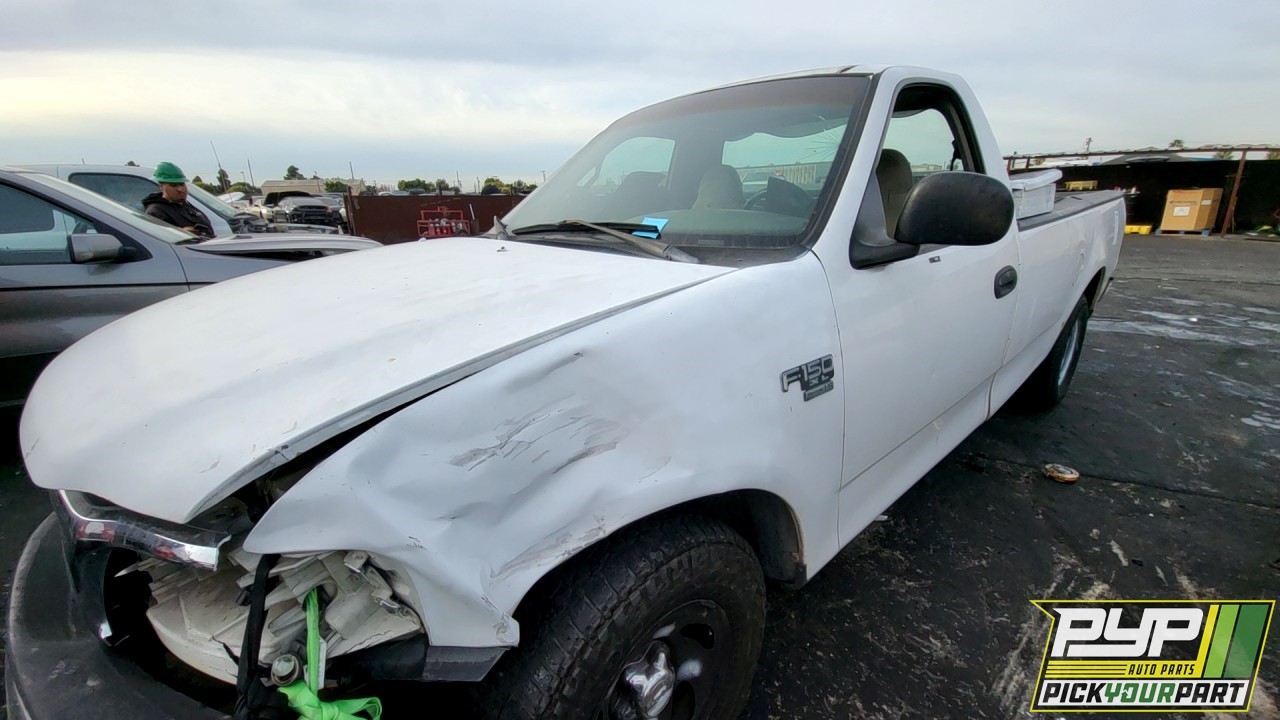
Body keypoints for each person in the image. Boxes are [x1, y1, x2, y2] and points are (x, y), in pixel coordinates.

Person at [142, 162, 214, 237]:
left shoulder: (187, 207)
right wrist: (180, 234)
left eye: (182, 184)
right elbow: (158, 241)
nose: (180, 189)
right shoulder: (156, 212)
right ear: (161, 186)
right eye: (174, 185)